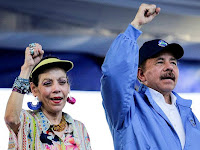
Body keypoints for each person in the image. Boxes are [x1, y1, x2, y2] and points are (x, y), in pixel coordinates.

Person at [101, 3, 200, 150]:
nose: (169, 67)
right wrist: (135, 26)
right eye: (160, 62)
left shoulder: (188, 114)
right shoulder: (128, 109)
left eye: (173, 62)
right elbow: (114, 75)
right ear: (141, 74)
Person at [4, 43, 91, 149]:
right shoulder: (27, 121)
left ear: (68, 87)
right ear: (34, 89)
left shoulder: (79, 128)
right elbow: (11, 118)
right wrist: (27, 68)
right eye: (47, 83)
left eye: (62, 82)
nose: (56, 89)